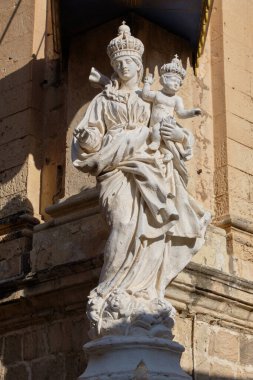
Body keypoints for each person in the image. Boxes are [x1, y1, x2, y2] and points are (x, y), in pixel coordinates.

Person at [72, 22, 210, 338]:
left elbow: (170, 126)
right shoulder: (103, 100)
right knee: (121, 222)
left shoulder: (151, 97)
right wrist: (88, 136)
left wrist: (180, 135)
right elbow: (90, 136)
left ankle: (143, 293)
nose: (123, 68)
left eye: (128, 63)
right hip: (115, 164)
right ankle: (110, 292)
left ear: (137, 65)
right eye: (118, 64)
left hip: (149, 163)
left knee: (153, 229)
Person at [142, 55, 201, 162]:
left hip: (168, 123)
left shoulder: (176, 99)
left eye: (178, 83)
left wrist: (192, 113)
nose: (176, 84)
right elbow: (145, 95)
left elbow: (181, 113)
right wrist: (147, 83)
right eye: (174, 81)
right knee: (160, 138)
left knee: (170, 140)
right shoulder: (157, 95)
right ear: (164, 80)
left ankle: (181, 152)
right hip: (155, 124)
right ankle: (166, 153)